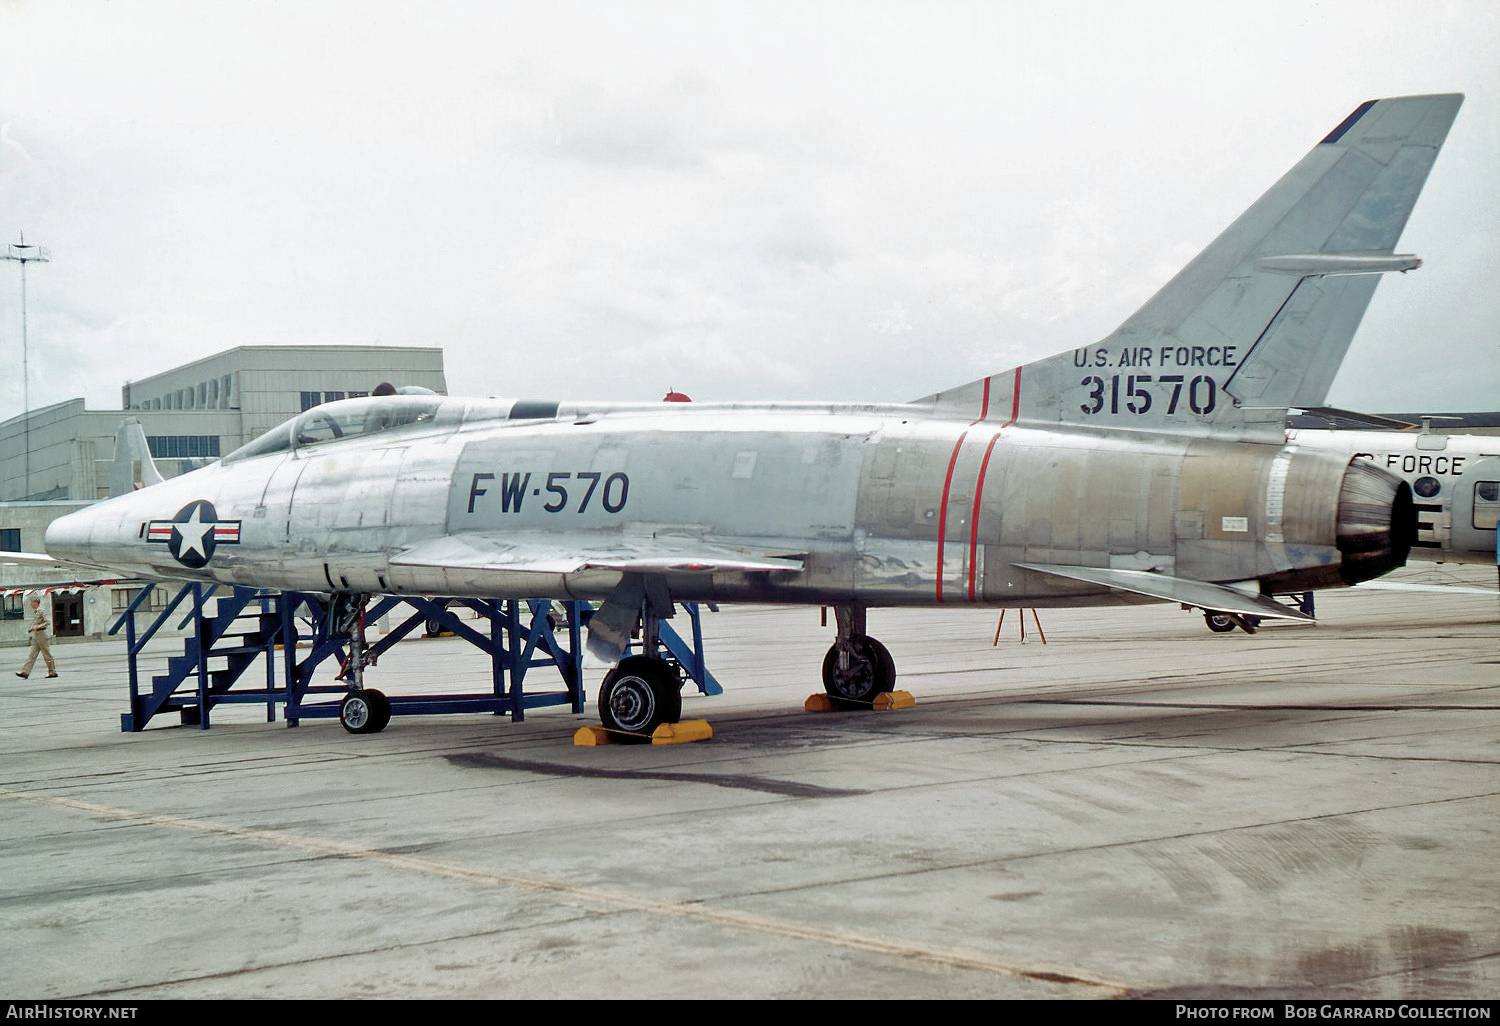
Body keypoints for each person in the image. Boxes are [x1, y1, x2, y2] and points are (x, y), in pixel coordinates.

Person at [16, 595, 58, 679]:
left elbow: (47, 622)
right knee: (32, 655)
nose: (31, 604)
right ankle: (25, 672)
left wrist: (37, 627)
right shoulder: (36, 612)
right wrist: (32, 628)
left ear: (36, 603)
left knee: (46, 654)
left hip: (41, 634)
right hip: (36, 635)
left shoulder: (41, 611)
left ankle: (52, 671)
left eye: (32, 602)